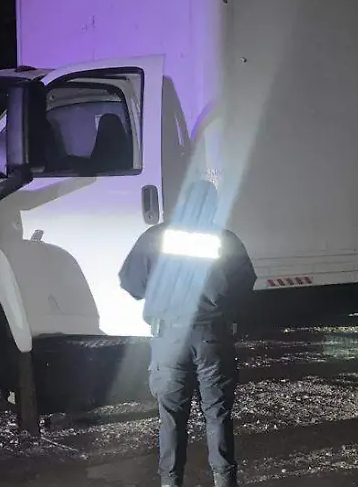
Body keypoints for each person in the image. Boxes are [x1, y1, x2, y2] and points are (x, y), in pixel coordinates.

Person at [119, 179, 257, 487]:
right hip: (212, 337)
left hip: (169, 338)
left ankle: (170, 483)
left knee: (171, 417)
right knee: (217, 414)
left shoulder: (156, 237)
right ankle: (224, 481)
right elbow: (245, 283)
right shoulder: (225, 239)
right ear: (212, 206)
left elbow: (131, 283)